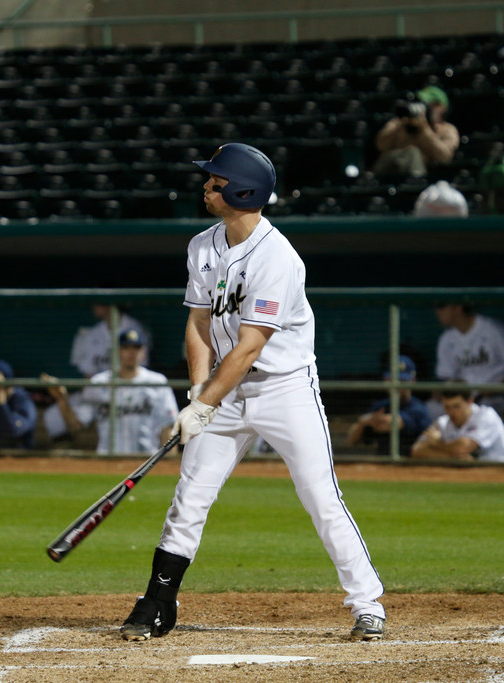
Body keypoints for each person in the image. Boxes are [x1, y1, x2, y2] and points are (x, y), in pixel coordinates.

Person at [118, 143, 386, 643]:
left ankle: (367, 604)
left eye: (216, 180)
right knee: (189, 498)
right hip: (223, 389)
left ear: (243, 190)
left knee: (320, 497)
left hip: (285, 389)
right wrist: (200, 389)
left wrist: (203, 404)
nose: (206, 185)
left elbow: (246, 349)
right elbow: (198, 323)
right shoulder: (202, 245)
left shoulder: (277, 257)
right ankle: (157, 602)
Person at [44, 329, 177, 453]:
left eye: (136, 347)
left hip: (145, 460)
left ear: (143, 351)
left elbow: (167, 426)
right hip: (108, 459)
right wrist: (62, 399)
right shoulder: (99, 382)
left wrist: (167, 463)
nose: (132, 353)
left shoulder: (157, 382)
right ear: (117, 351)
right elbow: (75, 425)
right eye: (126, 347)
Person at [433, 302, 504, 414]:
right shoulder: (446, 338)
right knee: (433, 408)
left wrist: (495, 390)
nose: (438, 312)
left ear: (458, 308)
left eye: (442, 306)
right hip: (461, 397)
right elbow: (445, 377)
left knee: (484, 410)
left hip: (493, 397)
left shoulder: (492, 329)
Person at [410, 384, 504, 462]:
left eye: (456, 406)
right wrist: (453, 459)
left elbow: (462, 448)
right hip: (476, 475)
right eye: (447, 406)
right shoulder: (443, 422)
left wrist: (437, 442)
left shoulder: (486, 415)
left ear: (469, 401)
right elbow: (417, 450)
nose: (452, 412)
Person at [346, 355, 431, 455]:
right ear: (386, 380)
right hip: (383, 466)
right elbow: (351, 440)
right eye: (392, 380)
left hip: (411, 465)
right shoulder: (380, 406)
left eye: (402, 381)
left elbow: (390, 423)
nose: (397, 386)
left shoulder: (419, 409)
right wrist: (362, 422)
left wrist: (371, 420)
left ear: (412, 381)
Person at [372, 86, 459, 178]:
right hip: (393, 171)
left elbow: (444, 157)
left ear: (441, 107)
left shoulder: (448, 130)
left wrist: (424, 130)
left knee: (414, 153)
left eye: (427, 104)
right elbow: (381, 145)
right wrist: (402, 126)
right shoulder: (399, 122)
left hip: (425, 178)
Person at [69, 301, 151, 378]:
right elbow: (88, 374)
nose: (94, 306)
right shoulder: (92, 334)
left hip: (129, 385)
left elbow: (140, 368)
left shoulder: (137, 329)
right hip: (100, 388)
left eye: (98, 301)